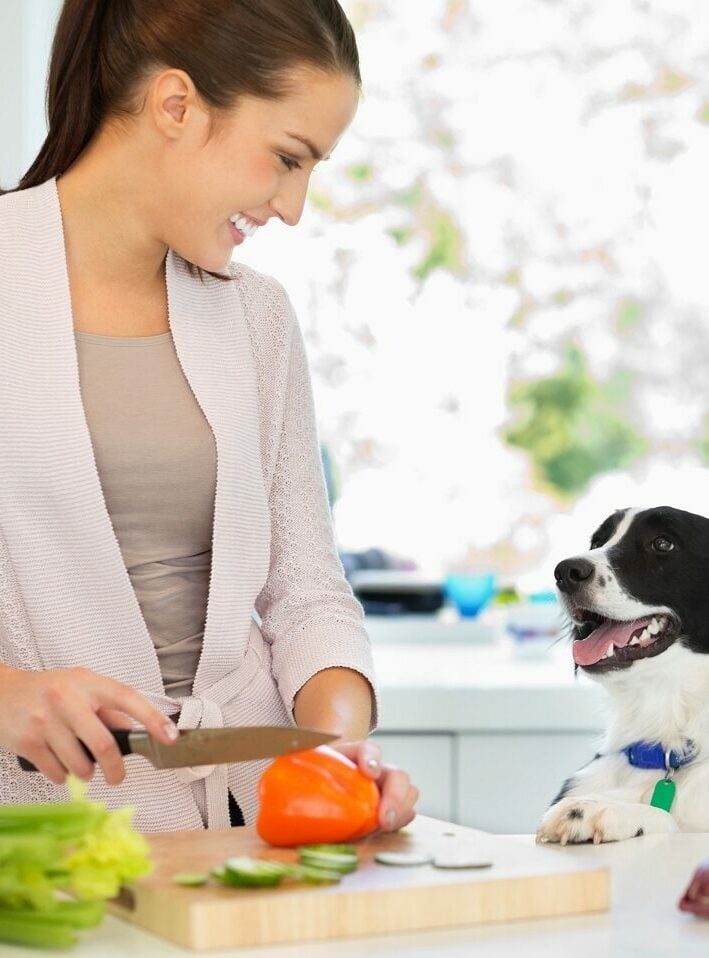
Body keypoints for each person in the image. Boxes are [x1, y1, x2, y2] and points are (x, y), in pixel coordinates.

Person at [0, 0, 418, 833]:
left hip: (255, 827)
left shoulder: (257, 319)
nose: (294, 206)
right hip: (43, 844)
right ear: (176, 105)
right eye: (286, 159)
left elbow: (306, 592)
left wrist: (335, 754)